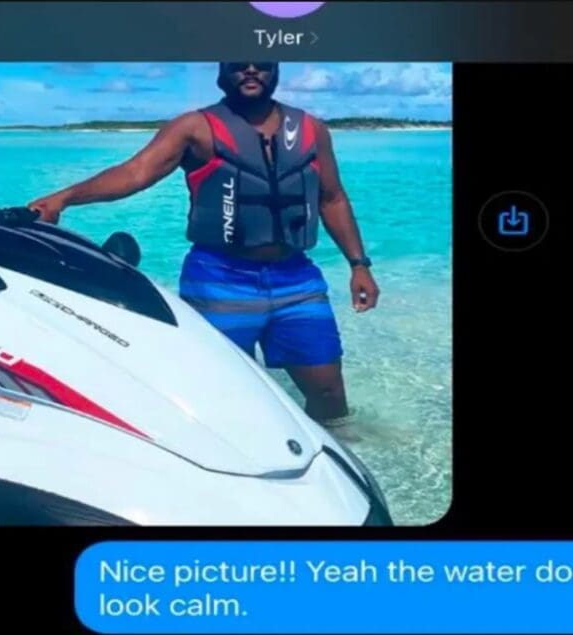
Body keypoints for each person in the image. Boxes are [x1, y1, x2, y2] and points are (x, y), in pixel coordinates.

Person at [29, 61, 380, 426]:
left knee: (328, 394)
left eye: (260, 65)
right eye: (238, 64)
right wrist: (64, 198)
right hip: (219, 278)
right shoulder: (194, 128)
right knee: (224, 398)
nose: (250, 70)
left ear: (275, 71)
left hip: (296, 278)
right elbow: (135, 173)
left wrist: (359, 265)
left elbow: (332, 198)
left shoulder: (312, 129)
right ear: (221, 73)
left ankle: (332, 469)